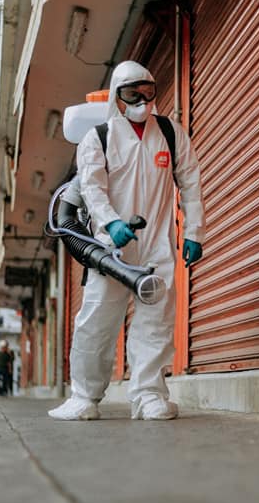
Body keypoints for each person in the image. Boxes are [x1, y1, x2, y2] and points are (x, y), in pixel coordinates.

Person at [49, 60, 205, 422]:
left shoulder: (170, 133)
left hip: (158, 246)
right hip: (111, 249)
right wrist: (112, 223)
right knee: (97, 320)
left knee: (156, 321)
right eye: (132, 93)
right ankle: (84, 396)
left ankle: (149, 395)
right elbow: (92, 189)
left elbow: (192, 185)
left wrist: (195, 232)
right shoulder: (98, 138)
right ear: (117, 96)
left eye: (147, 93)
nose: (141, 101)